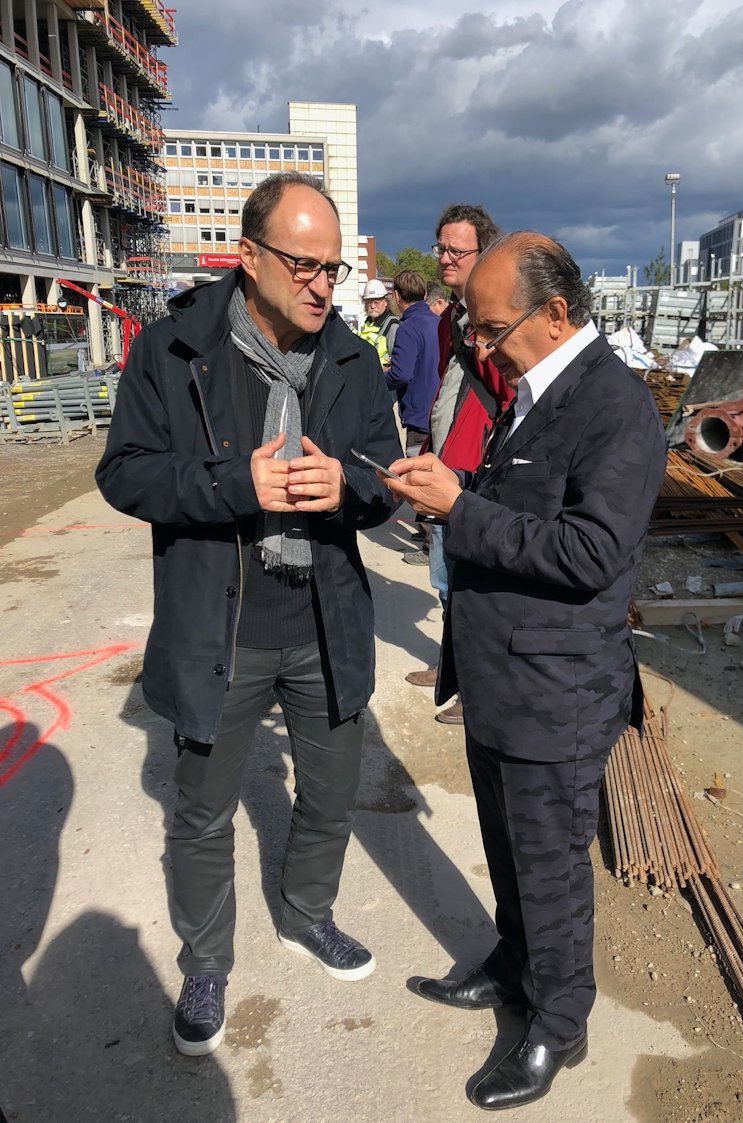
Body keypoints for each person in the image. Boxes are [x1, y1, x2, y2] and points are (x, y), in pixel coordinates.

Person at [96, 172, 402, 1058]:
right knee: (201, 814)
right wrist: (238, 485)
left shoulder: (353, 359)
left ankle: (308, 914)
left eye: (332, 269)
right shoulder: (172, 350)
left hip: (323, 623)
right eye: (302, 264)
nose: (319, 284)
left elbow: (383, 478)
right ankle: (205, 963)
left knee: (331, 793)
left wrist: (350, 485)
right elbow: (126, 473)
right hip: (216, 629)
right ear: (250, 255)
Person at [383, 231, 667, 1111]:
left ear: (554, 313)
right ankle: (514, 966)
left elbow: (590, 552)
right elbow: (520, 506)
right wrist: (451, 486)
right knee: (507, 851)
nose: (479, 343)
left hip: (557, 692)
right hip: (503, 678)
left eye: (493, 327)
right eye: (473, 326)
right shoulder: (534, 392)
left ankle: (558, 1022)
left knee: (549, 866)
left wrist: (460, 510)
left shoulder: (613, 407)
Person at [403, 204, 512, 727]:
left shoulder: (496, 319)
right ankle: (453, 666)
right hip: (448, 461)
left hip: (478, 472)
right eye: (439, 247)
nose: (443, 257)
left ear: (483, 253)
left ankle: (479, 689)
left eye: (455, 250)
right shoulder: (451, 318)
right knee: (446, 578)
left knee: (472, 585)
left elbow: (509, 395)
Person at [385, 270, 440, 456]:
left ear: (396, 296)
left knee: (417, 477)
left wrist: (379, 380)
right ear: (424, 295)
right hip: (442, 413)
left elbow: (401, 374)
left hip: (419, 418)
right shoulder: (441, 323)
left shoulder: (407, 328)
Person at [358, 278, 400, 370]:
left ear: (385, 302)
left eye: (376, 302)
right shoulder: (368, 323)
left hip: (382, 381)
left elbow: (398, 362)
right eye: (369, 302)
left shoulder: (392, 326)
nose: (373, 306)